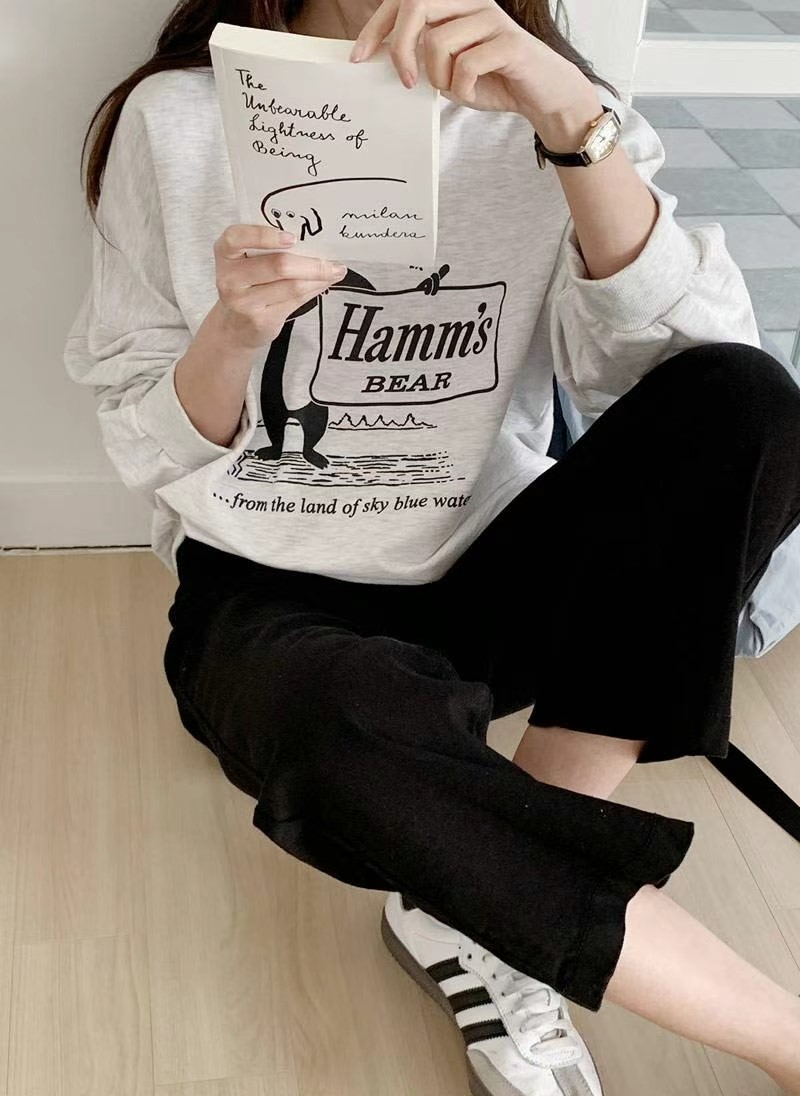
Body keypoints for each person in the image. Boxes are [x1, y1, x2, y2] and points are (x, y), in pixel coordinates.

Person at [64, 0, 800, 1092]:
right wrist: (231, 333)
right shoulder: (175, 117)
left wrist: (574, 126)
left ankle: (484, 877)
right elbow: (141, 435)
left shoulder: (550, 106)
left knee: (748, 399)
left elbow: (704, 383)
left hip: (491, 573)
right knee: (336, 725)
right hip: (270, 598)